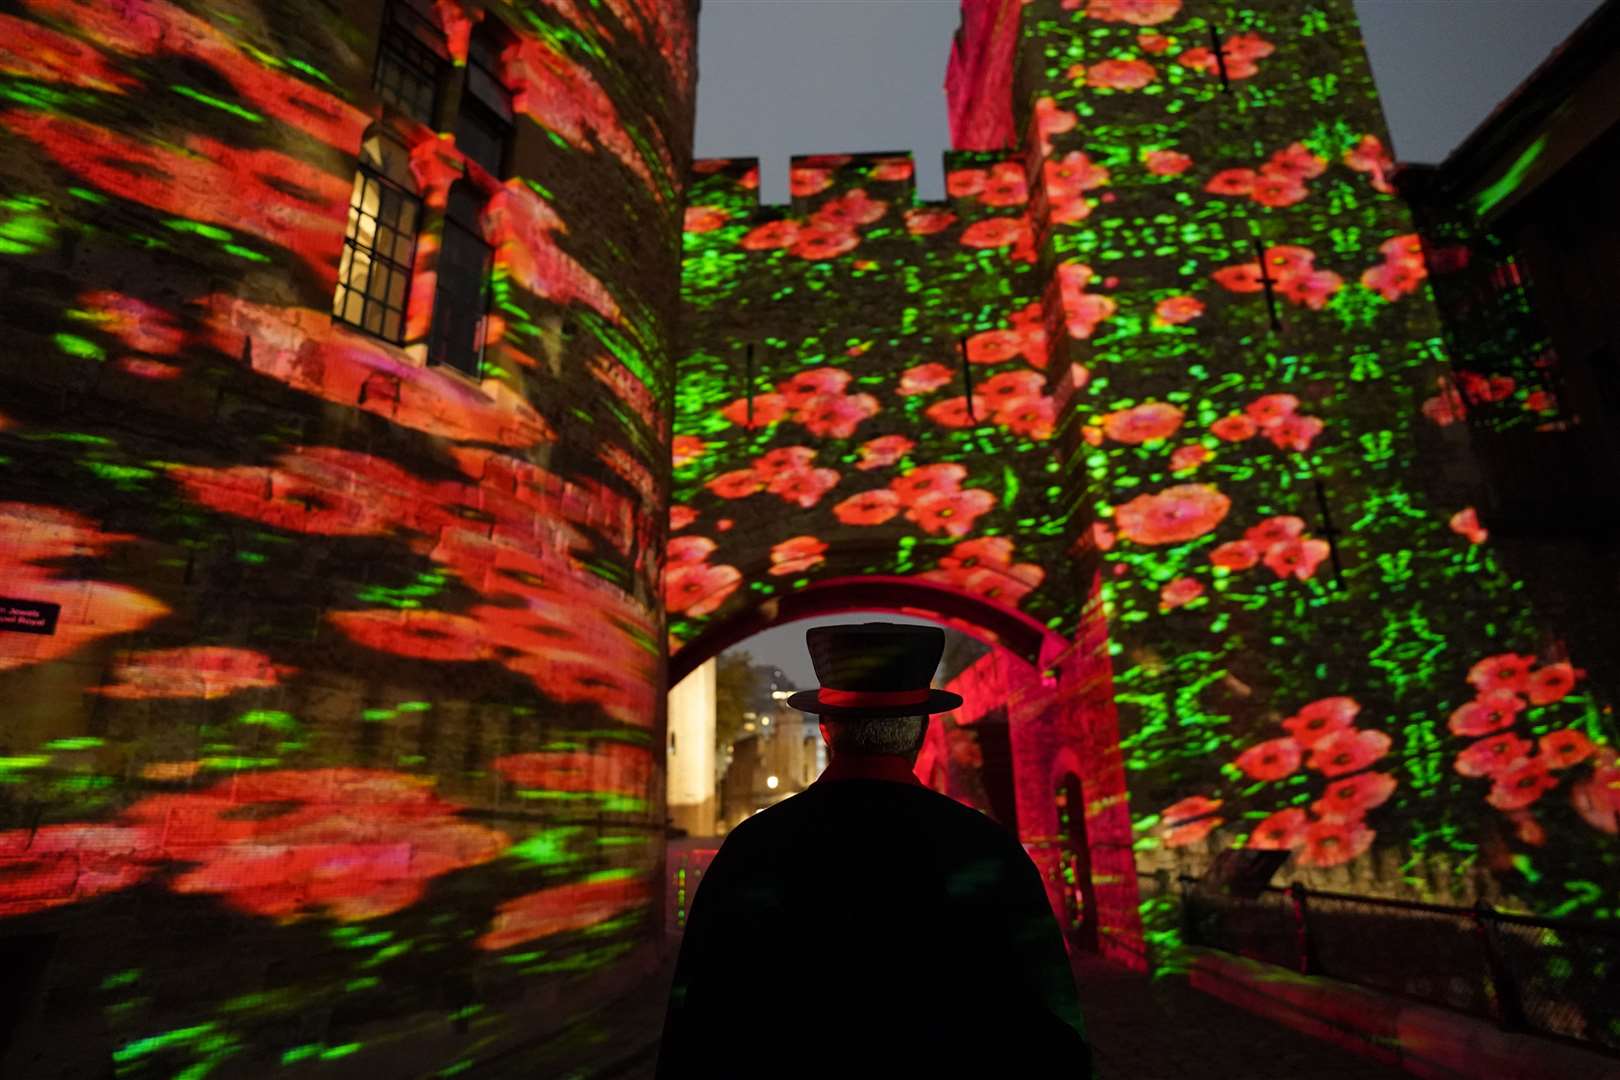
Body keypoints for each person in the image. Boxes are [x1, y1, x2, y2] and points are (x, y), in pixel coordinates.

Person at [655, 622, 1093, 1078]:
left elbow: (697, 1026)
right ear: (922, 730)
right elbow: (1053, 1025)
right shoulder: (987, 850)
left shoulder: (752, 851)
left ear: (825, 729)